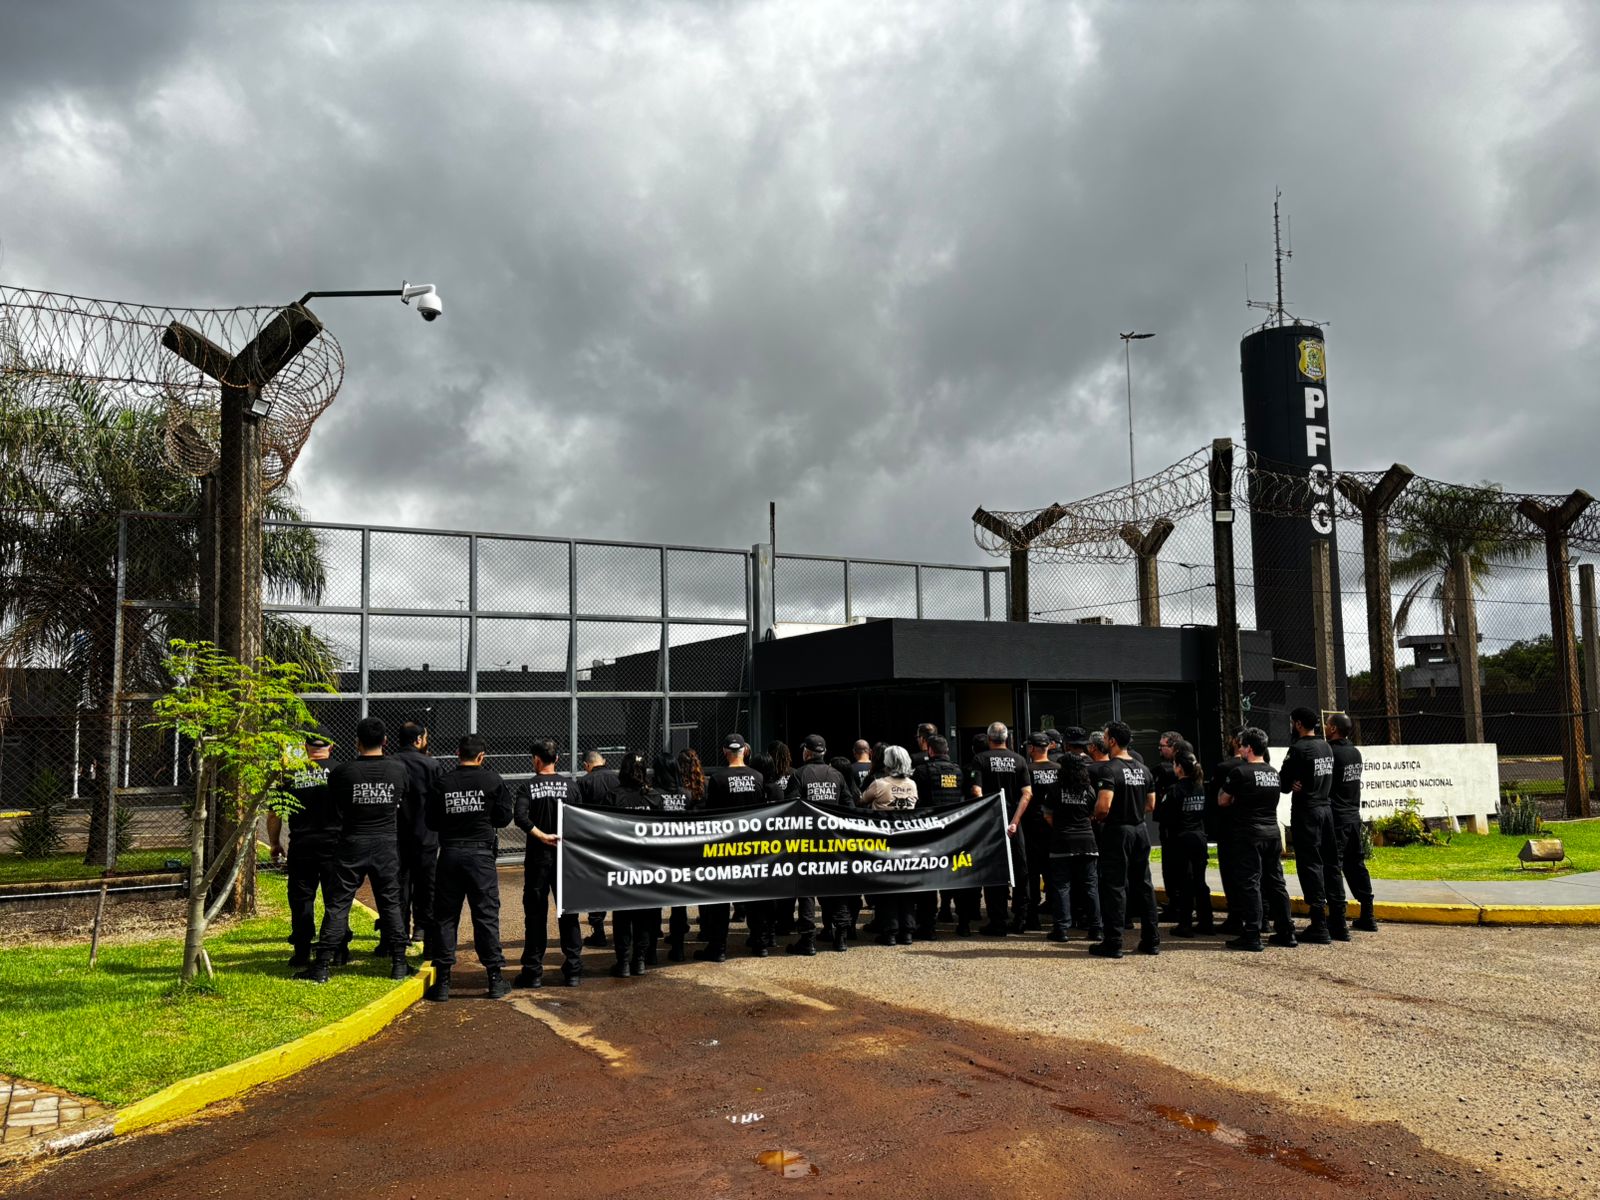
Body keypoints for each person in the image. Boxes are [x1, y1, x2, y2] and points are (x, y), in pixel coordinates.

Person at [298, 717, 414, 984]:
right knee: (390, 902)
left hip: (352, 842)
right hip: (385, 843)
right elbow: (402, 801)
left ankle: (323, 965)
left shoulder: (344, 772)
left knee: (338, 904)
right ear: (385, 741)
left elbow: (337, 806)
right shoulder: (398, 770)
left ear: (356, 742)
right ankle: (398, 962)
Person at [424, 733, 515, 1003]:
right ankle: (495, 979)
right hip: (480, 856)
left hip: (450, 854)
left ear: (457, 753)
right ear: (482, 756)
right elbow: (503, 816)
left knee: (446, 916)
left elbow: (431, 821)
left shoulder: (443, 782)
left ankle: (442, 981)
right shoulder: (492, 780)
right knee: (485, 915)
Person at [1217, 727, 1296, 952]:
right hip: (1272, 833)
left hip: (1248, 834)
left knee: (1250, 882)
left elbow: (1223, 800)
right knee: (1276, 883)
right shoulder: (1273, 773)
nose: (1239, 749)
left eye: (1242, 745)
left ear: (1249, 748)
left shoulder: (1239, 773)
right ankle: (1286, 931)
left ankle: (1251, 933)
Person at [514, 738, 583, 988]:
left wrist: (541, 835)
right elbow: (582, 819)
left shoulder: (528, 788)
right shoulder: (571, 787)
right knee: (568, 913)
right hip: (566, 859)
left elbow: (520, 817)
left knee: (535, 914)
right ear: (557, 759)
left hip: (537, 860)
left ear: (537, 759)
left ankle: (533, 972)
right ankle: (573, 969)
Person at [1089, 720, 1159, 959]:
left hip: (1118, 830)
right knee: (1144, 884)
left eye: (1106, 736)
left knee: (1114, 886)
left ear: (1111, 741)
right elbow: (1151, 804)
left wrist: (1097, 817)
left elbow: (1103, 806)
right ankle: (1151, 940)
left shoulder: (1109, 769)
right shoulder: (1143, 768)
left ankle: (1113, 942)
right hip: (1140, 829)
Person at [697, 734, 764, 962]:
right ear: (745, 750)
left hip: (725, 846)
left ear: (725, 751)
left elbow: (711, 815)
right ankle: (760, 942)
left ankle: (719, 948)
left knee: (721, 898)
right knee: (755, 895)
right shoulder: (758, 777)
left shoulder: (717, 779)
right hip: (753, 846)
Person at [1280, 706, 1343, 945]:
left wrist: (1294, 782)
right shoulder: (1325, 746)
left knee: (1310, 864)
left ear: (1297, 724)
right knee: (1331, 863)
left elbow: (1284, 783)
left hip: (1307, 811)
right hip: (1326, 809)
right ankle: (1338, 921)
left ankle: (1318, 923)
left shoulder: (1298, 749)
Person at [786, 734, 852, 955]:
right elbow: (848, 806)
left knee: (806, 888)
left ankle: (808, 940)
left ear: (806, 752)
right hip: (834, 841)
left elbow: (790, 808)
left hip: (807, 841)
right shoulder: (837, 774)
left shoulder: (799, 774)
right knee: (837, 886)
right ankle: (841, 936)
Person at [967, 722, 1032, 936]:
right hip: (1015, 824)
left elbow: (977, 791)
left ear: (988, 739)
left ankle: (998, 921)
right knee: (1020, 870)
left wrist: (993, 813)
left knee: (995, 872)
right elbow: (1027, 793)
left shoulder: (980, 759)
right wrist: (1014, 820)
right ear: (1007, 738)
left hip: (993, 823)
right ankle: (1021, 918)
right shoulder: (1020, 760)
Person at [603, 752, 664, 978]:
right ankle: (639, 960)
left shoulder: (614, 796)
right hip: (647, 866)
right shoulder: (654, 797)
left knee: (622, 916)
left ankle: (623, 963)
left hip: (622, 865)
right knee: (644, 915)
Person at [392, 721, 445, 959]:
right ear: (418, 740)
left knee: (400, 885)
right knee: (427, 885)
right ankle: (421, 929)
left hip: (396, 835)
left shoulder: (391, 764)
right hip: (426, 834)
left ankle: (399, 930)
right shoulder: (432, 765)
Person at [284, 735, 337, 968]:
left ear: (305, 747)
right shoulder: (340, 772)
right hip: (334, 844)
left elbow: (276, 812)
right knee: (335, 899)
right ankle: (336, 948)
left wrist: (275, 843)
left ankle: (302, 950)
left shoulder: (290, 774)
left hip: (302, 843)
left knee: (302, 897)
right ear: (330, 747)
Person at [860, 745, 920, 945]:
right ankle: (908, 931)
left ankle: (890, 931)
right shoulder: (912, 785)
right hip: (907, 841)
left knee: (887, 888)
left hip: (883, 843)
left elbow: (861, 800)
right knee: (906, 887)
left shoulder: (879, 784)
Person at [1040, 751, 1102, 943]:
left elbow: (1047, 815)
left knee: (1061, 887)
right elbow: (1094, 814)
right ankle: (1096, 929)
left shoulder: (1054, 788)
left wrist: (1061, 828)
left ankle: (1061, 929)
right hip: (1087, 841)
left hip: (1062, 842)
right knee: (1090, 886)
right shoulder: (1089, 789)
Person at [1326, 714, 1376, 933]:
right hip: (1353, 816)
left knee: (1333, 866)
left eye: (1328, 725)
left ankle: (1338, 918)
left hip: (1336, 818)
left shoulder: (1331, 753)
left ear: (1334, 729)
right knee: (1356, 864)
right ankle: (1368, 914)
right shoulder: (1355, 752)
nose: (1325, 728)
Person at [912, 734, 965, 936]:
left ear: (930, 751)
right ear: (947, 751)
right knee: (957, 875)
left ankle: (927, 926)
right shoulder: (959, 771)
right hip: (954, 830)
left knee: (928, 878)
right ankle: (963, 924)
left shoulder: (922, 771)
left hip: (929, 831)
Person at [1161, 750, 1213, 937]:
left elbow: (1164, 816)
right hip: (1199, 837)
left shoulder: (1174, 790)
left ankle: (1185, 925)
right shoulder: (1200, 788)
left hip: (1181, 839)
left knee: (1185, 883)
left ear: (1179, 768)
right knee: (1200, 881)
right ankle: (1206, 921)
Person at [577, 751, 621, 949]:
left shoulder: (585, 782)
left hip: (594, 839)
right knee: (619, 884)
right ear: (604, 761)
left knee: (596, 886)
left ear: (587, 765)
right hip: (618, 838)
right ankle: (622, 932)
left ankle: (599, 931)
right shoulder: (618, 778)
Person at [668, 748, 707, 961]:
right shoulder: (703, 786)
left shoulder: (678, 792)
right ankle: (705, 930)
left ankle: (678, 942)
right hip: (701, 846)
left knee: (678, 900)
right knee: (703, 891)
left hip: (679, 846)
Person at [1208, 729, 1246, 936]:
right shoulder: (1265, 768)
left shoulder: (1226, 768)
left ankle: (1236, 916)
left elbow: (1217, 799)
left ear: (1235, 742)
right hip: (1254, 827)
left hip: (1230, 828)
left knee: (1231, 874)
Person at [1019, 732, 1057, 932]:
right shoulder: (1059, 769)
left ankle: (1031, 917)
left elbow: (1024, 797)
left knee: (1032, 876)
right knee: (1054, 875)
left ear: (1032, 748)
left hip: (1032, 829)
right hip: (1054, 829)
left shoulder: (1027, 769)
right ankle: (1060, 919)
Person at [1152, 731, 1185, 920]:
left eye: (1162, 746)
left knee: (1171, 868)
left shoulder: (1165, 770)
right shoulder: (1191, 768)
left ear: (1173, 747)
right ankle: (1178, 903)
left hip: (1171, 826)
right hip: (1182, 826)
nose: (1159, 749)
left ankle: (1176, 905)